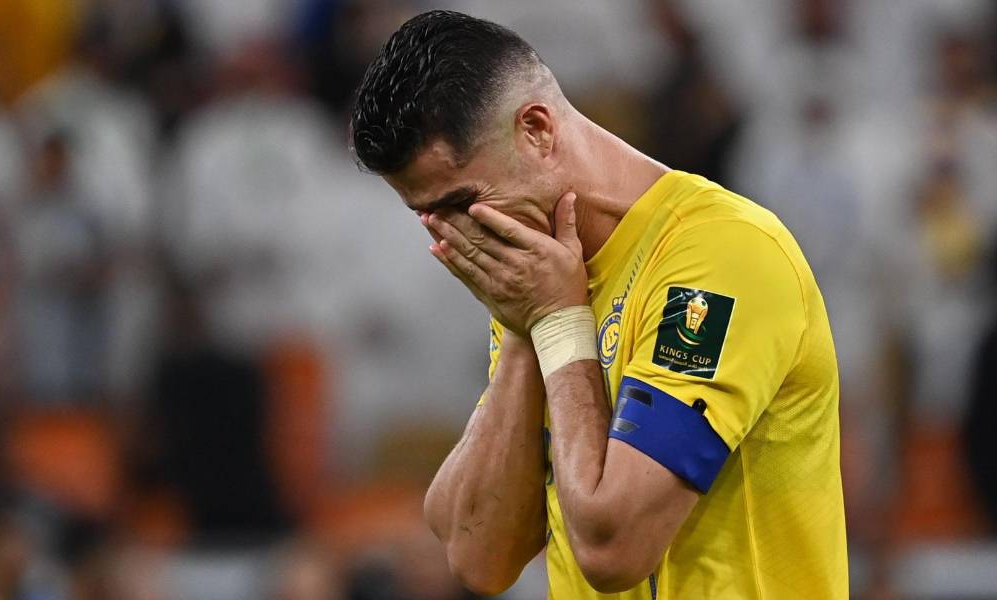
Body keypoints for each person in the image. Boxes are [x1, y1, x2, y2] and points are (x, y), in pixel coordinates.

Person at [349, 10, 846, 598]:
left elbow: (614, 548)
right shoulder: (540, 274)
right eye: (428, 217)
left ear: (537, 129)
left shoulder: (723, 258)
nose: (455, 238)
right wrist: (524, 331)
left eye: (463, 203)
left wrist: (557, 322)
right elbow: (477, 554)